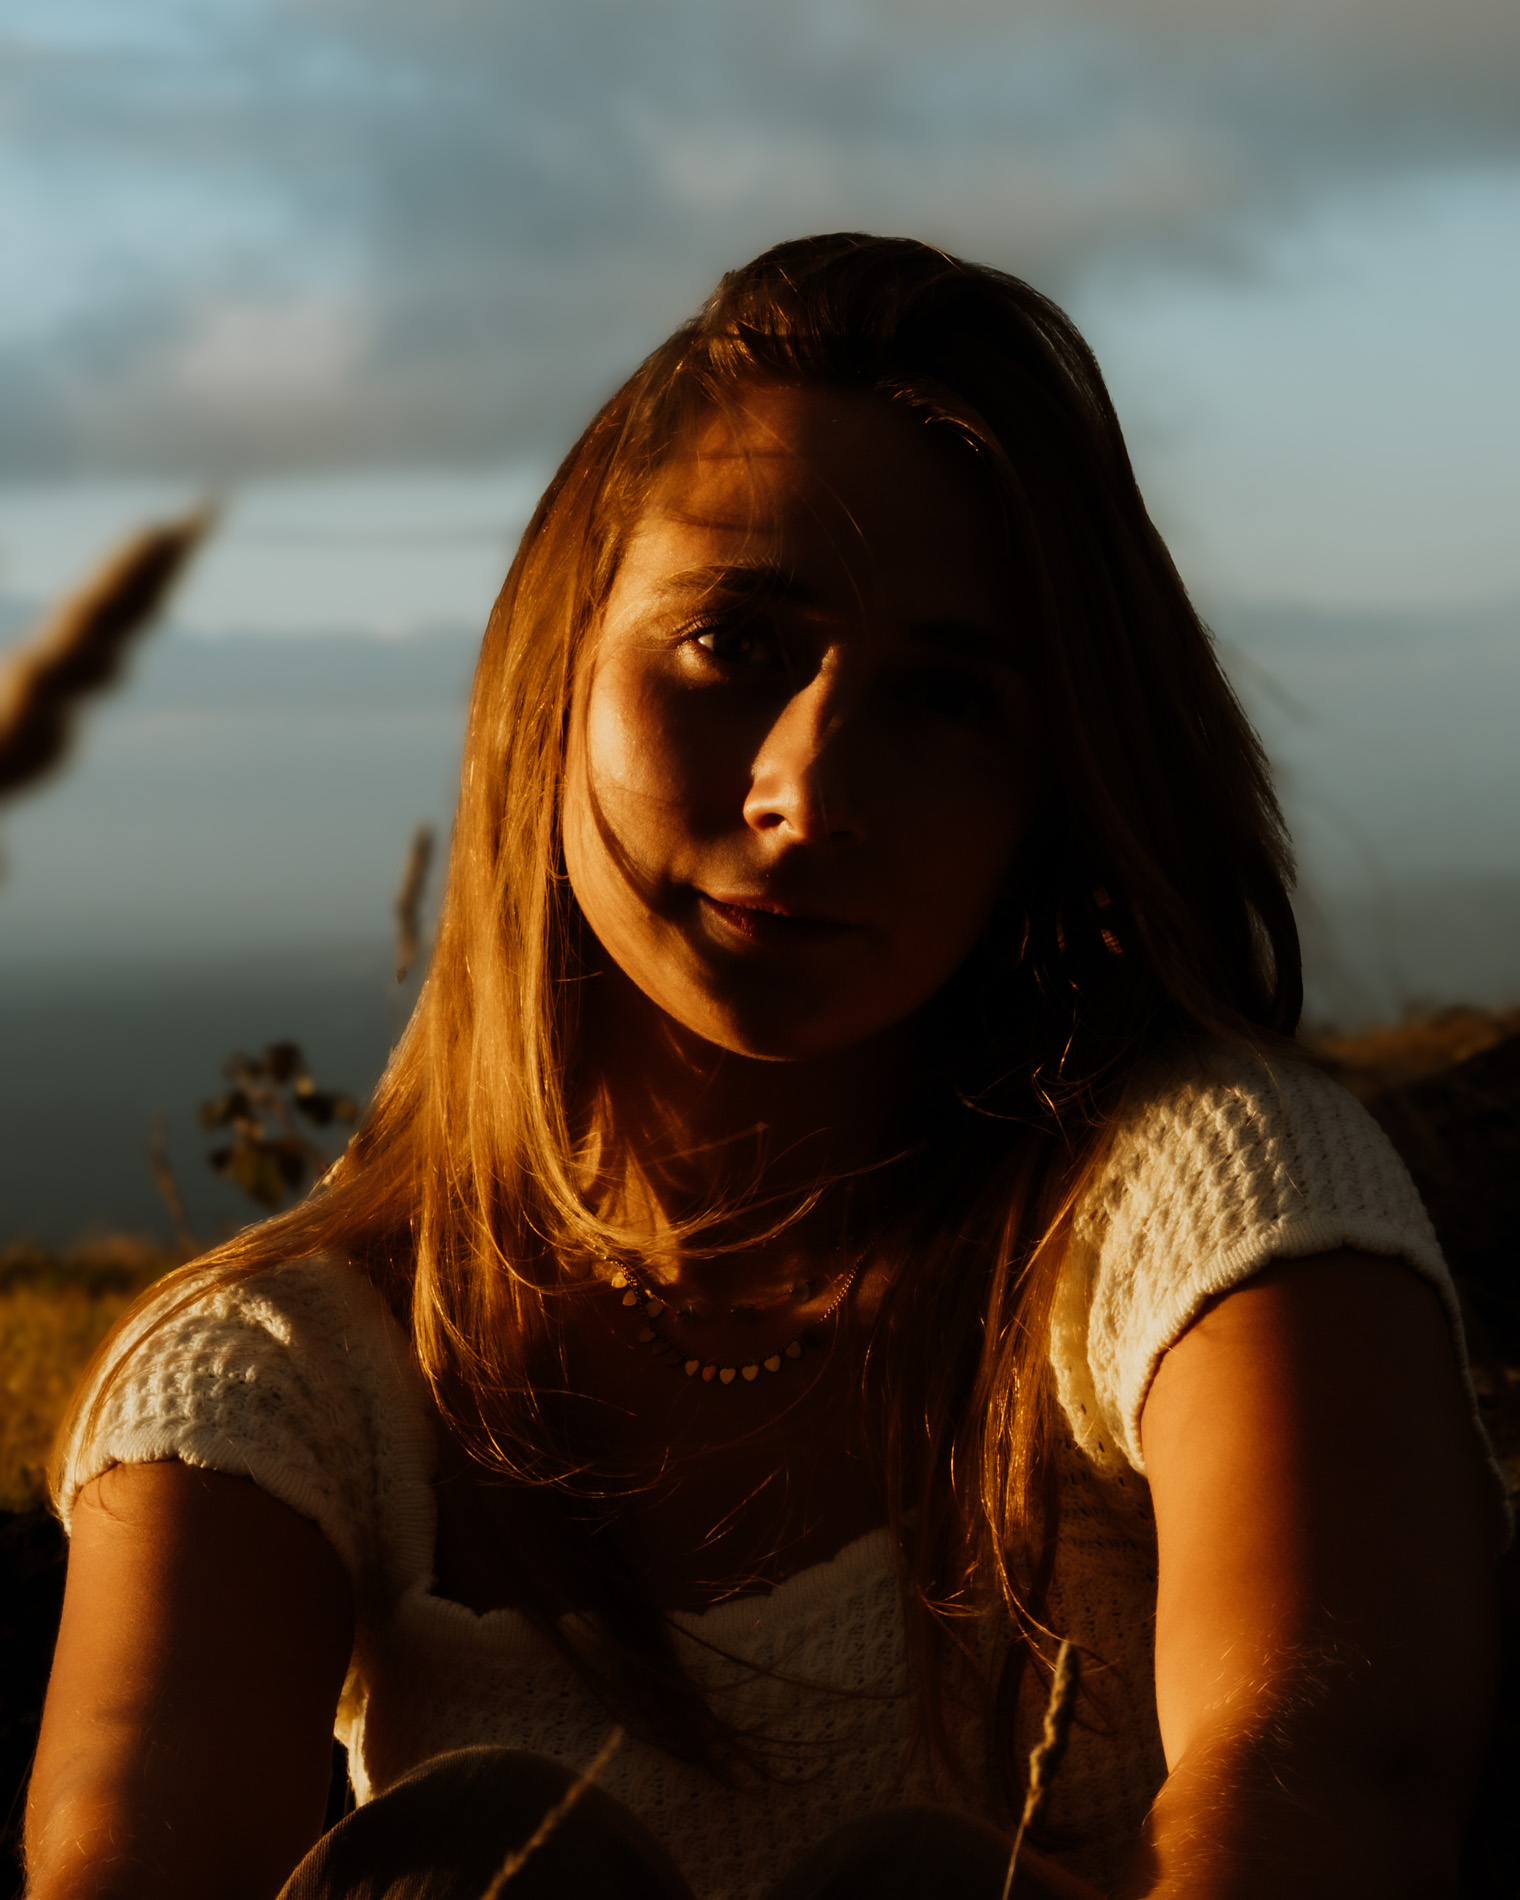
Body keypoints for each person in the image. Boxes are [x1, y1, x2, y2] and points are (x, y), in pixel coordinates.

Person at [24, 234, 1502, 1900]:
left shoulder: (1200, 1197)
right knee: (476, 1859)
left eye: (946, 700)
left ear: (1056, 784)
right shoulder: (292, 1370)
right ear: (555, 682)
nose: (811, 786)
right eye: (733, 644)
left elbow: (1332, 1799)